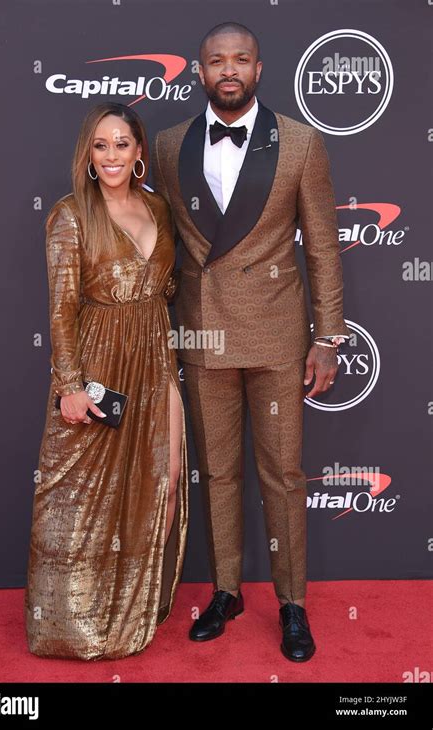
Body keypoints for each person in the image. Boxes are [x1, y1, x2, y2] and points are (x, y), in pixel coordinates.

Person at [150, 22, 350, 662]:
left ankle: (292, 604)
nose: (228, 69)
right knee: (218, 472)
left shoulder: (300, 142)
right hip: (202, 331)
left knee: (283, 474)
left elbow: (323, 248)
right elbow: (154, 240)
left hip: (276, 334)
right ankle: (227, 592)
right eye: (217, 60)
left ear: (259, 70)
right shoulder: (168, 144)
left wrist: (328, 336)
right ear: (200, 71)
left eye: (240, 59)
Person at [25, 102, 188, 660]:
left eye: (122, 143)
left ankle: (130, 611)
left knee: (163, 481)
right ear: (88, 155)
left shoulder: (159, 208)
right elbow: (60, 309)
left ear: (139, 151)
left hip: (156, 359)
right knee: (83, 500)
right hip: (97, 366)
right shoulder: (71, 215)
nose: (112, 155)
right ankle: (75, 627)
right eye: (101, 145)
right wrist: (70, 385)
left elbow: (167, 287)